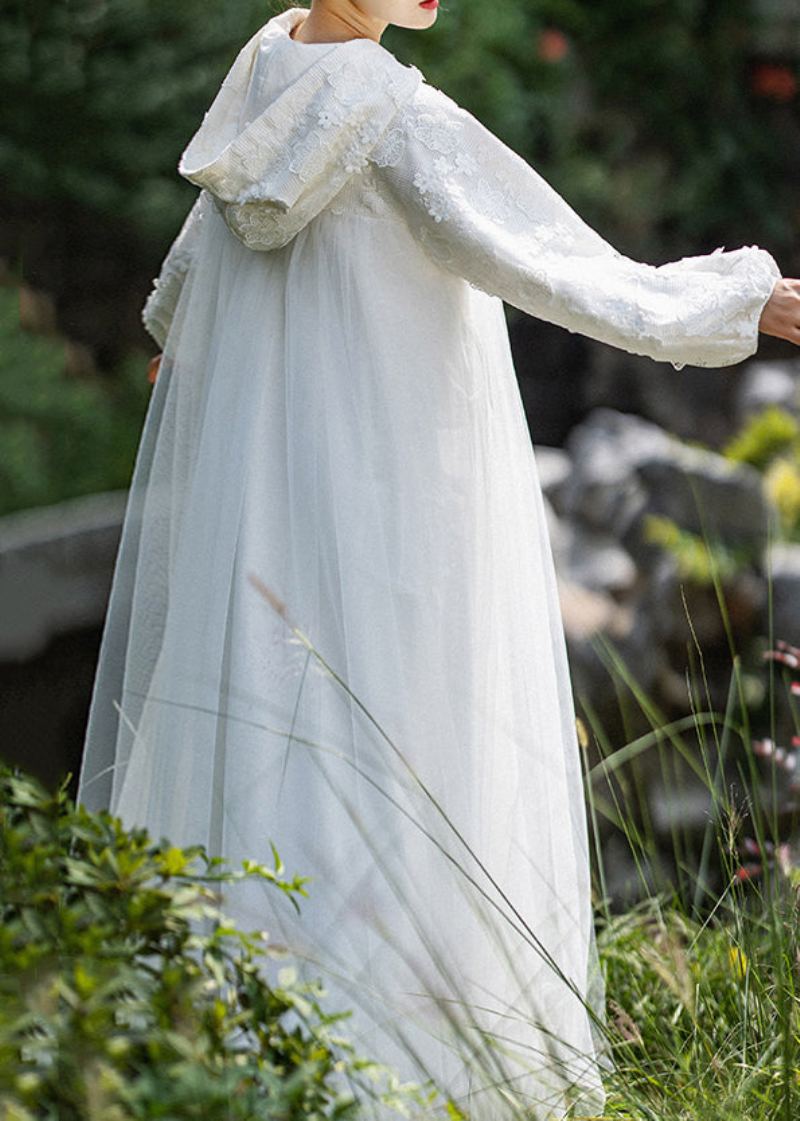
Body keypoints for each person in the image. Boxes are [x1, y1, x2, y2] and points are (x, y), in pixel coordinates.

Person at [77, 3, 798, 1119]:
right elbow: (554, 263)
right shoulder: (391, 113)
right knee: (403, 732)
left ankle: (239, 1046)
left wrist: (182, 331)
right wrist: (739, 299)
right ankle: (402, 1069)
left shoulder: (271, 65)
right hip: (396, 495)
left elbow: (210, 226)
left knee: (271, 721)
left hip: (275, 482)